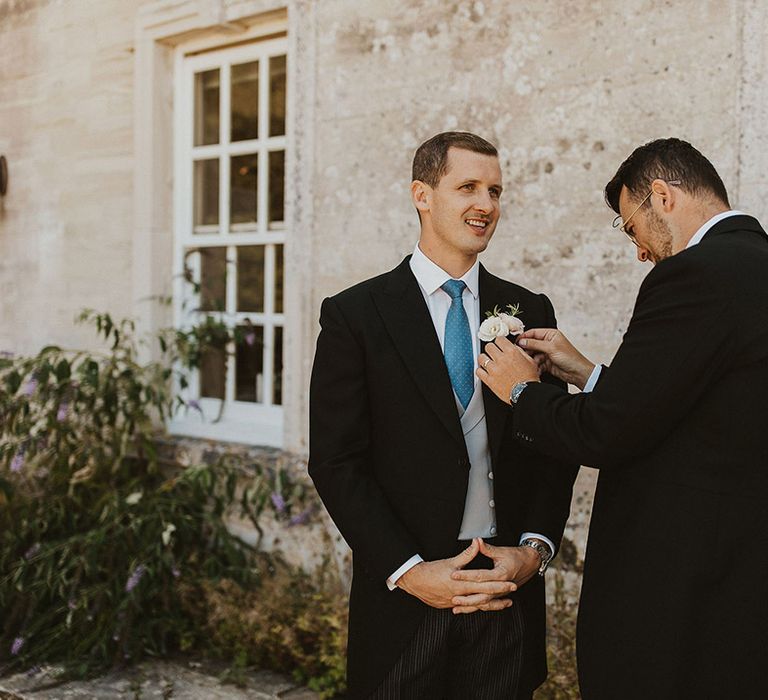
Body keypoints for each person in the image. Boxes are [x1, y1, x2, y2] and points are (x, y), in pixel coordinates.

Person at [476, 138, 768, 699]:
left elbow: (607, 432)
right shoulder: (754, 265)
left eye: (630, 226)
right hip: (740, 573)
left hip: (680, 581)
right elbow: (690, 408)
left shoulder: (694, 274)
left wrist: (521, 391)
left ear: (662, 195)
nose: (637, 251)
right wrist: (584, 370)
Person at [309, 131, 578, 699]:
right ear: (422, 195)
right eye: (468, 187)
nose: (486, 204)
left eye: (496, 190)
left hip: (505, 592)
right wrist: (409, 571)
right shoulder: (356, 315)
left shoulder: (529, 310)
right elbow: (336, 461)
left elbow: (553, 447)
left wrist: (533, 552)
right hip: (408, 600)